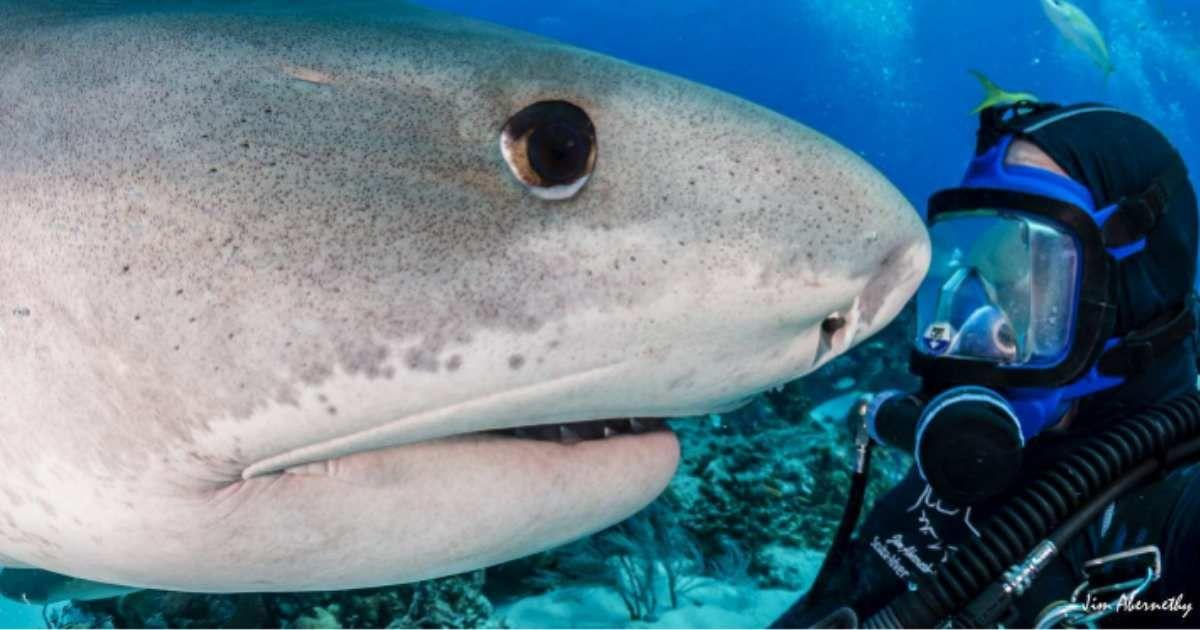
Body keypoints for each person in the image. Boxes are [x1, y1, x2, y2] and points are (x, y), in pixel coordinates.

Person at [772, 102, 1200, 628]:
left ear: (1135, 292)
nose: (982, 321)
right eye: (976, 273)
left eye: (1028, 273)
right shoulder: (964, 462)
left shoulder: (1180, 515)